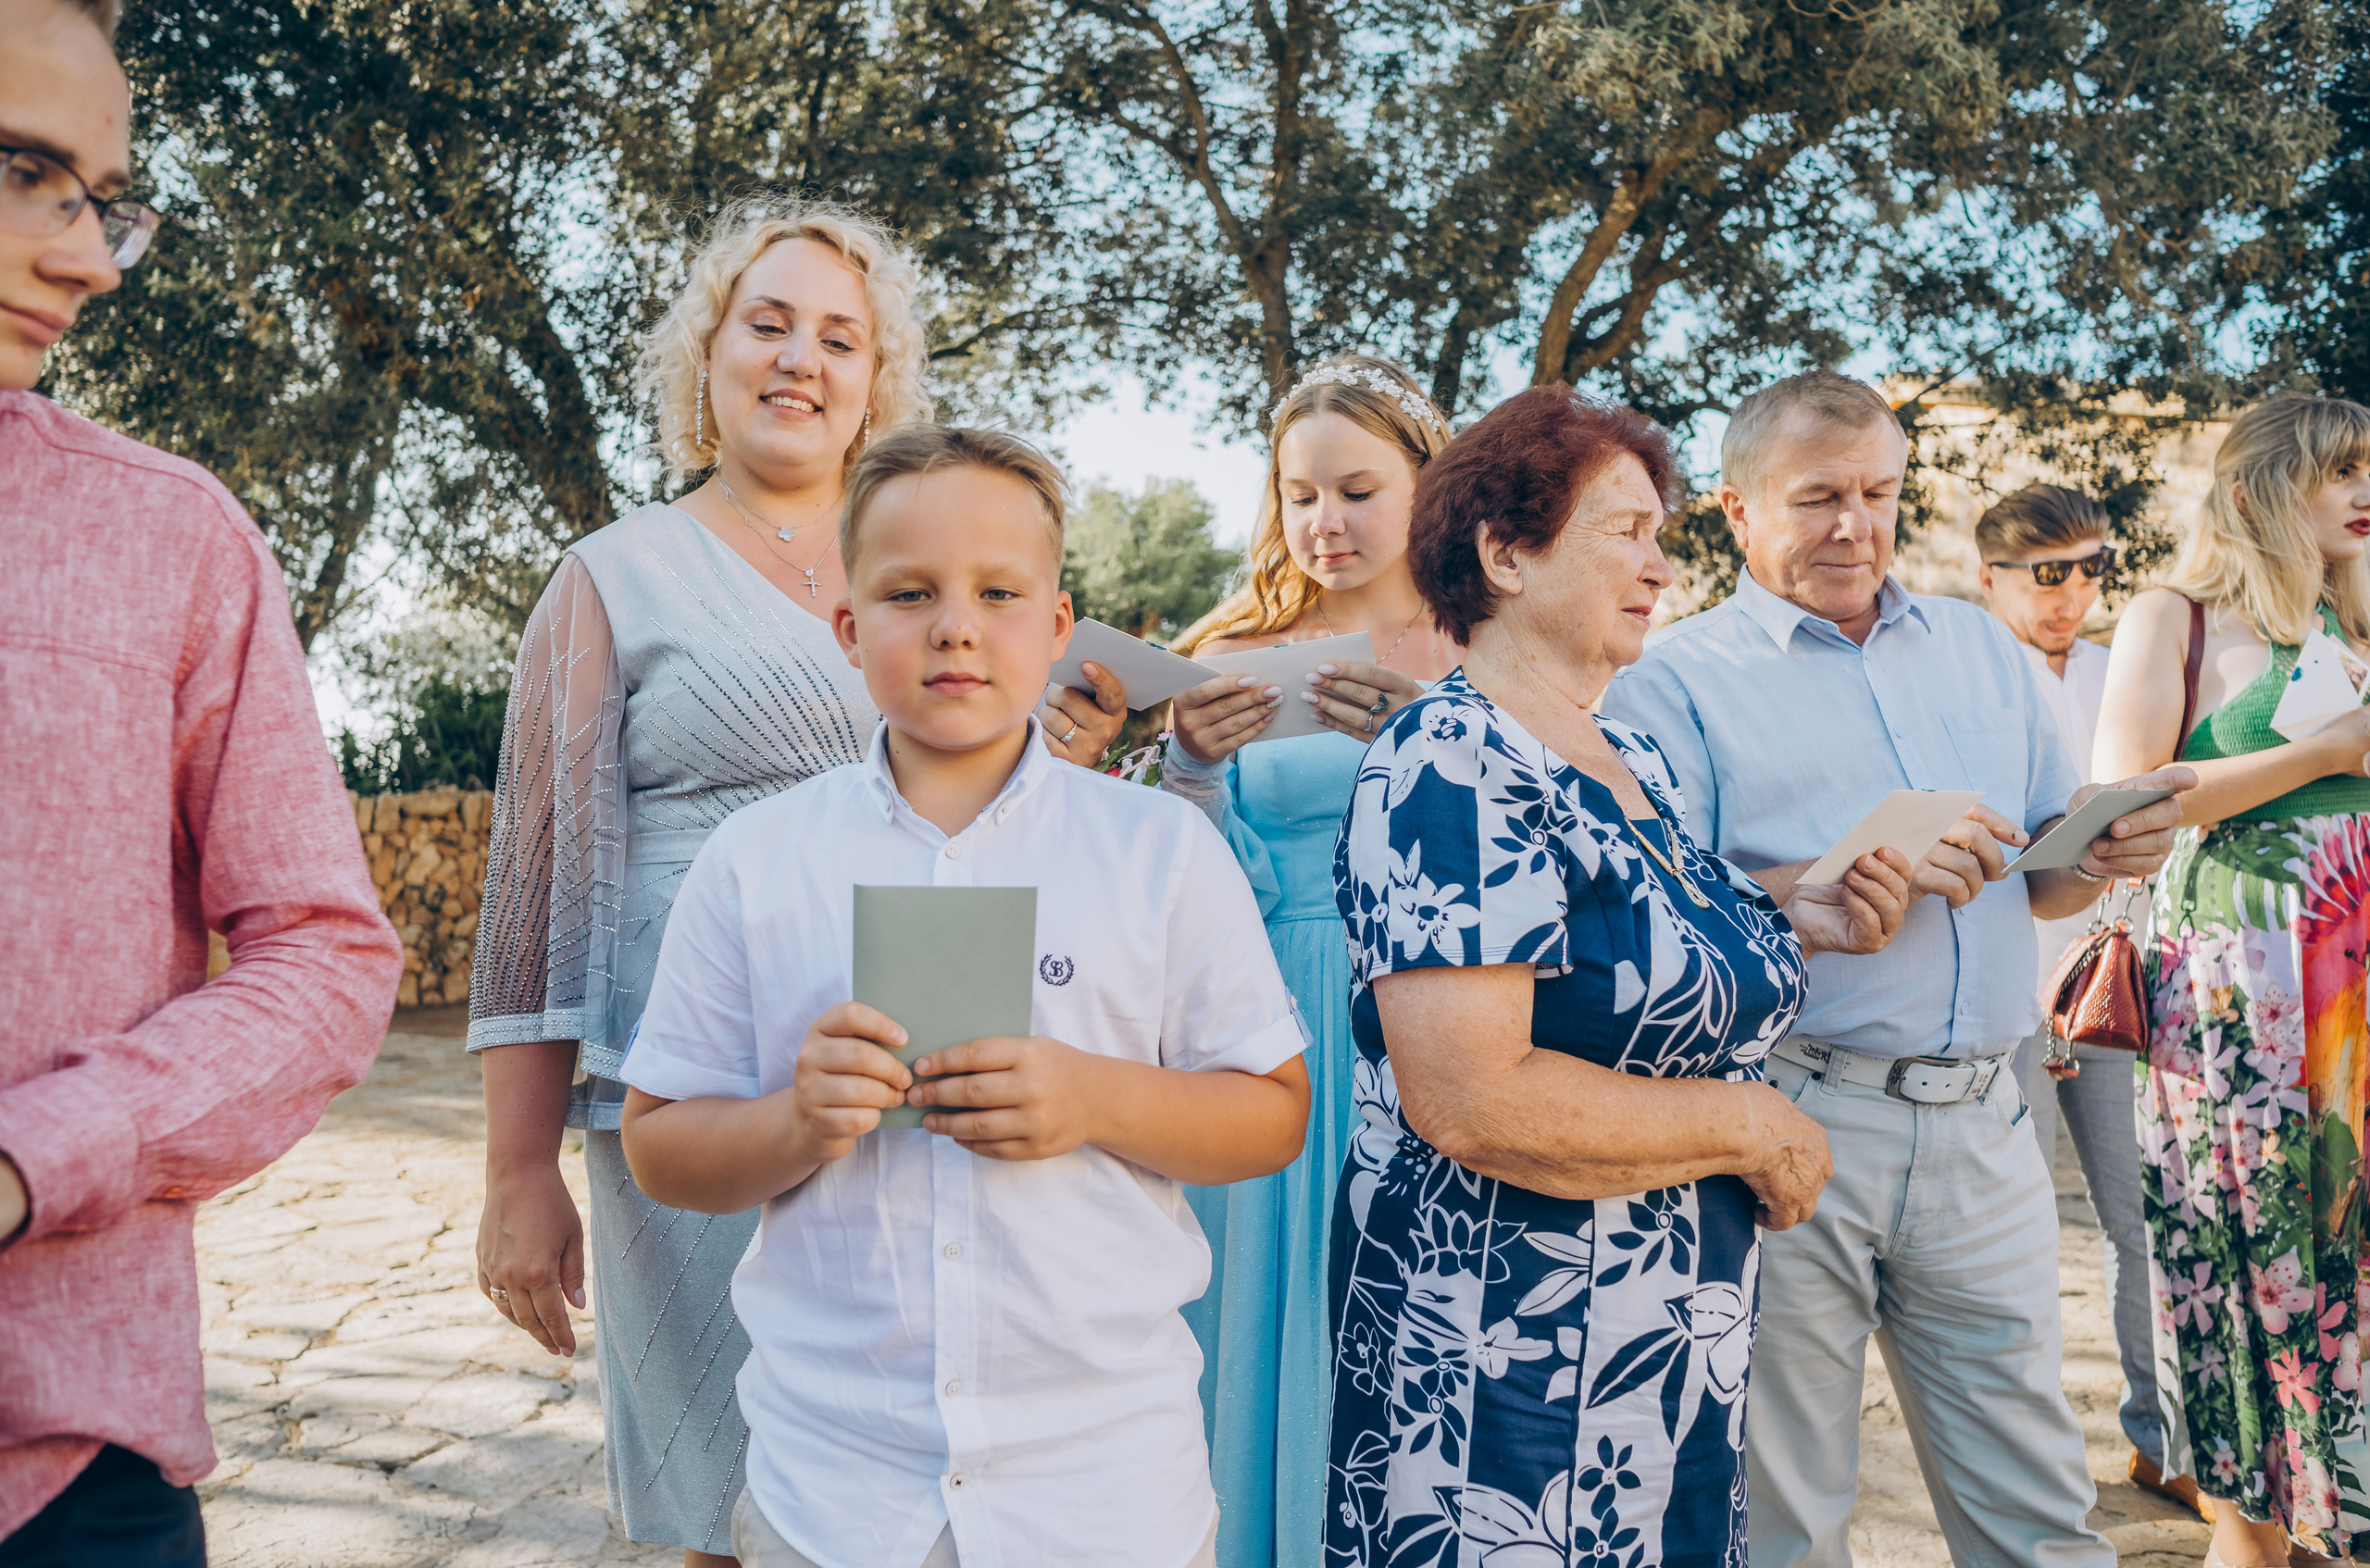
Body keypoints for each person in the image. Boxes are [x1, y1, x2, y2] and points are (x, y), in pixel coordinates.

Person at [468, 202, 1125, 1564]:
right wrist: (517, 1168)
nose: (799, 360)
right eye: (766, 324)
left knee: (936, 1481)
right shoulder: (610, 577)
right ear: (705, 356)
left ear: (877, 381)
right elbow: (540, 896)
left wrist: (1055, 753)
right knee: (726, 1494)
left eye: (839, 337)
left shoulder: (932, 567)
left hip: (922, 1077)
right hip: (699, 1091)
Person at [612, 425, 1313, 1567]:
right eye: (907, 591)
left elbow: (1272, 1110)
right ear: (847, 627)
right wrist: (794, 1121)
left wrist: (1094, 1098)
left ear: (1054, 623)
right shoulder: (756, 860)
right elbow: (660, 1147)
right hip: (834, 1495)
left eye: (997, 590)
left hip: (1104, 1494)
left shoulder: (1159, 852)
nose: (954, 623)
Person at [1603, 368, 2193, 1567]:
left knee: (2038, 1510)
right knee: (1785, 1518)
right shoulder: (1673, 683)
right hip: (1792, 1123)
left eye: (1878, 492)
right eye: (1819, 495)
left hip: (1988, 1119)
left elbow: (2047, 877)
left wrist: (2103, 845)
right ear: (1736, 510)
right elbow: (1653, 901)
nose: (1853, 525)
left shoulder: (1982, 646)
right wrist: (1826, 879)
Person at [1327, 385, 1916, 1568]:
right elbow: (1472, 1095)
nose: (1659, 564)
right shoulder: (1451, 759)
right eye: (1624, 531)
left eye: (1660, 532)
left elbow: (1630, 958)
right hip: (1508, 1361)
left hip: (1660, 1348)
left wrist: (1796, 911)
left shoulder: (1626, 750)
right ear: (1503, 554)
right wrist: (1753, 1122)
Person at [0, 0, 404, 1558]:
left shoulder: (177, 542)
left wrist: (39, 1160)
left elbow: (327, 952)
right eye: (26, 171)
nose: (92, 261)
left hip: (66, 1472)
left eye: (103, 199)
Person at [1156, 355, 1460, 1568]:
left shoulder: (1485, 643)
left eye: (1356, 490)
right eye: (1299, 495)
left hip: (1433, 1022)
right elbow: (1172, 889)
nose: (1324, 522)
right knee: (1266, 1317)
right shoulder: (1230, 647)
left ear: (1427, 493)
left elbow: (1552, 841)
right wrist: (1187, 765)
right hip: (1265, 1021)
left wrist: (1431, 747)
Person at [2093, 392, 2370, 1567]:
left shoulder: (2360, 618)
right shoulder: (2176, 617)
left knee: (2347, 1240)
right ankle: (2256, 1533)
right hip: (2233, 991)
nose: (2364, 491)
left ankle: (2334, 1512)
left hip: (2354, 984)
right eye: (2338, 471)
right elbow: (2125, 795)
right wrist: (2328, 752)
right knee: (2245, 1238)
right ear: (2263, 488)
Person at [1981, 483, 2192, 1513]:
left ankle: (2163, 1442)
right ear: (1993, 577)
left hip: (2116, 980)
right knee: (2014, 1237)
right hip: (2003, 996)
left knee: (2139, 1219)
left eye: (2091, 568)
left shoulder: (2125, 672)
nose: (2073, 591)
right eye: (2047, 571)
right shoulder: (1969, 676)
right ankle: (2034, 1468)